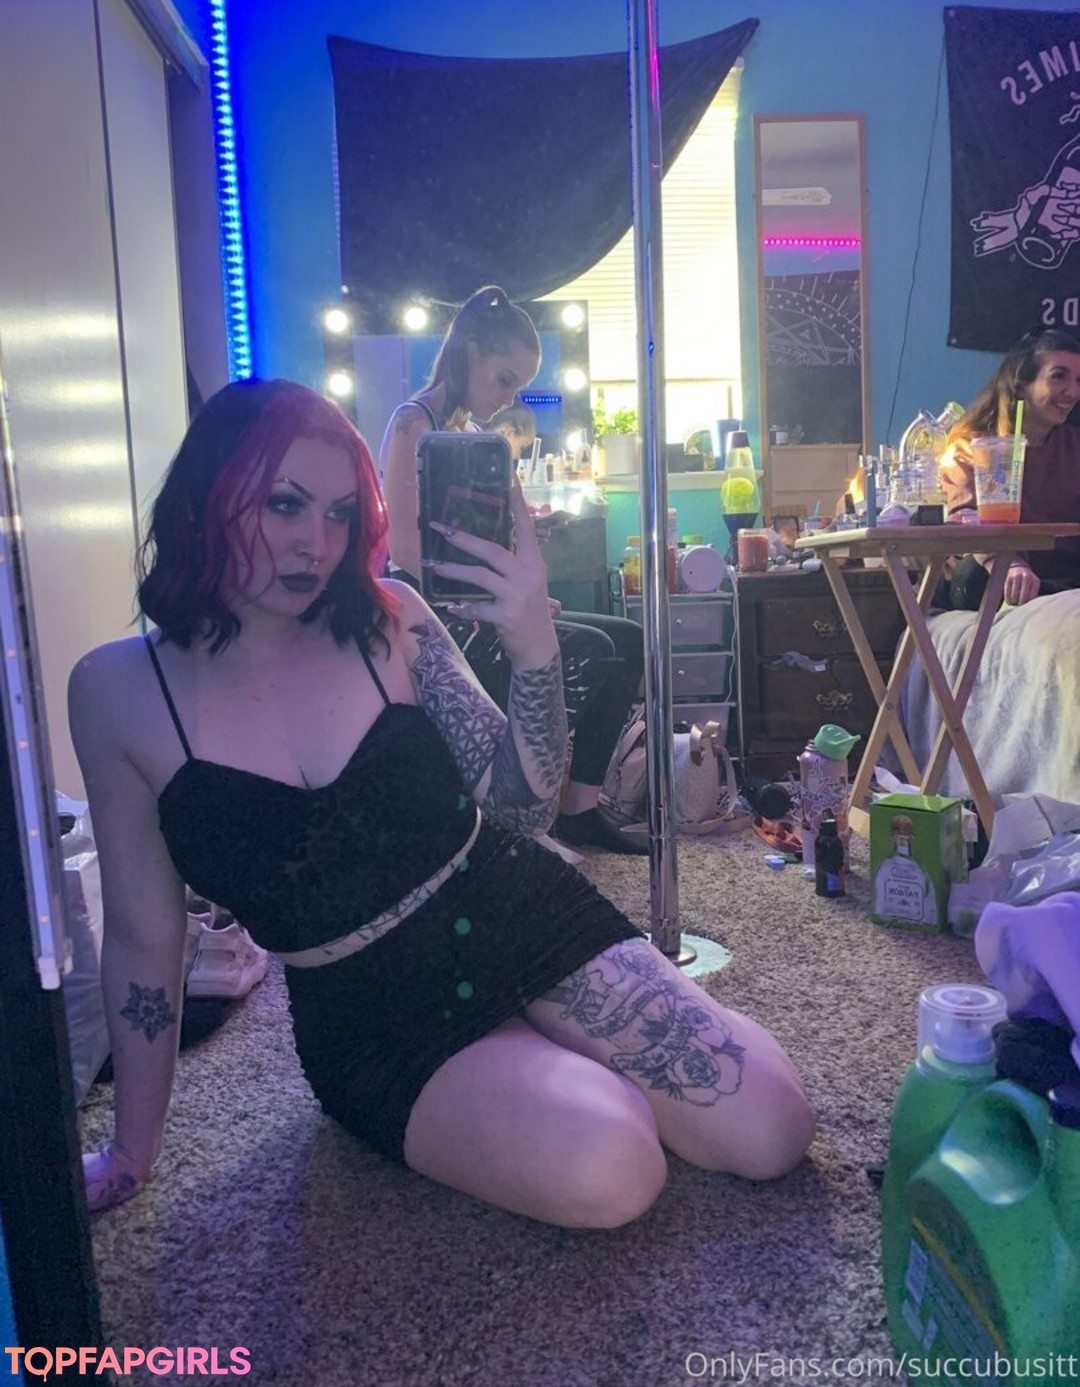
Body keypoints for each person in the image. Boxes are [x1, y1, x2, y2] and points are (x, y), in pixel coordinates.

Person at [72, 378, 815, 1226]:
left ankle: (598, 1039)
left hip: (516, 910)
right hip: (378, 1015)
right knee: (613, 1164)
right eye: (285, 503)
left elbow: (523, 811)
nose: (316, 543)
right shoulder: (116, 692)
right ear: (207, 491)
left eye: (340, 513)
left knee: (775, 1129)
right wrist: (132, 1149)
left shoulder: (391, 619)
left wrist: (534, 647)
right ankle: (560, 1068)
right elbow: (143, 938)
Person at [380, 285, 647, 854]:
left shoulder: (474, 439)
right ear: (471, 351)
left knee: (629, 641)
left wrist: (519, 571)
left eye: (517, 388)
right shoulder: (413, 424)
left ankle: (579, 811)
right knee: (591, 649)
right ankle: (516, 804)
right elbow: (404, 550)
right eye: (504, 380)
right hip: (434, 613)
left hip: (476, 601)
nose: (507, 399)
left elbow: (474, 539)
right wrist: (499, 605)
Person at [939, 327, 1080, 609]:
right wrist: (1011, 564)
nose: (1073, 391)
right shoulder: (970, 447)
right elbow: (967, 518)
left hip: (1065, 576)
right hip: (995, 576)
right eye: (1058, 376)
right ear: (1021, 386)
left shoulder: (1073, 445)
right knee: (975, 575)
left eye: (1079, 380)